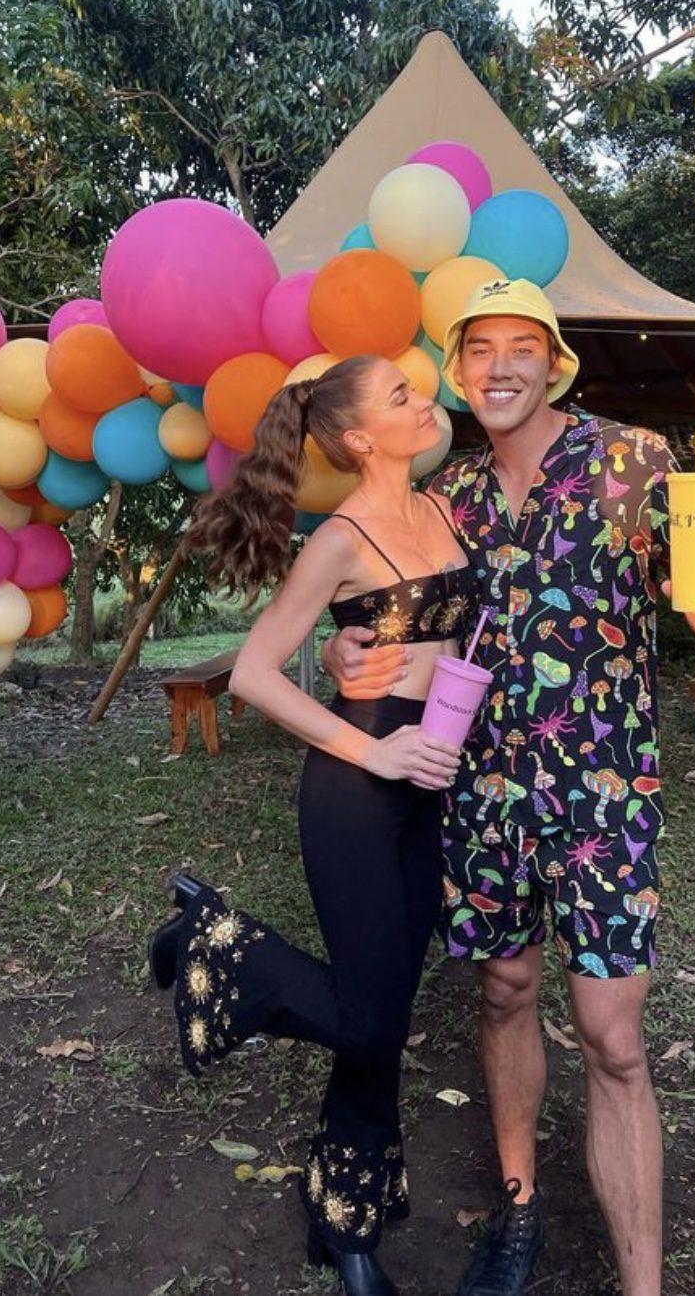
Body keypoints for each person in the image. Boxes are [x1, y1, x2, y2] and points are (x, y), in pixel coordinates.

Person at [322, 279, 695, 1296]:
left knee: (612, 1038)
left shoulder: (631, 459)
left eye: (525, 346)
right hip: (477, 788)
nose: (502, 365)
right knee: (504, 986)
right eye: (481, 350)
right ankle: (518, 1206)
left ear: (553, 363)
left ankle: (641, 1282)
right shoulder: (448, 497)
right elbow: (393, 618)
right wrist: (350, 646)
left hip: (602, 791)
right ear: (459, 371)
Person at [148, 354, 476, 1296]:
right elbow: (254, 672)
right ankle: (213, 939)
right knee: (369, 1016)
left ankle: (346, 1221)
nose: (428, 403)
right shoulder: (340, 536)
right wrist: (372, 750)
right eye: (404, 398)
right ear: (362, 437)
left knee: (383, 1019)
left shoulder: (439, 508)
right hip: (359, 786)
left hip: (429, 781)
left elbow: (446, 639)